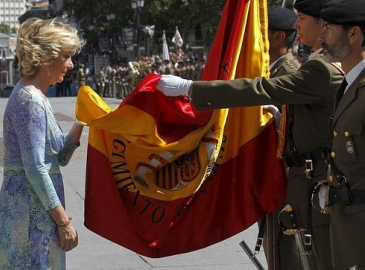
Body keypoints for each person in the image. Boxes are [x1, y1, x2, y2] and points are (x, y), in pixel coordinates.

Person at [156, 0, 343, 269]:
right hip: (297, 176)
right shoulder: (316, 63)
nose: (296, 24)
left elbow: (262, 88)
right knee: (291, 250)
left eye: (302, 18)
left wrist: (190, 88)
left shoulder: (321, 68)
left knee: (303, 254)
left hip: (309, 177)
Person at [0, 17, 85, 269]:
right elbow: (35, 167)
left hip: (37, 207)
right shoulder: (30, 100)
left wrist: (83, 121)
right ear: (47, 57)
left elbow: (60, 157)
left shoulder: (37, 97)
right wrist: (64, 221)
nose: (70, 64)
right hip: (30, 209)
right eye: (66, 56)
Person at [320, 1, 365, 268]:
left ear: (353, 34)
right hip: (347, 221)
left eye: (328, 27)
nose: (321, 35)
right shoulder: (349, 84)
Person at [259, 6, 301, 269]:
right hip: (269, 178)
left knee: (287, 253)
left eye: (261, 33)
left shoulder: (289, 74)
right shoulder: (271, 72)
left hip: (285, 179)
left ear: (279, 37)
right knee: (274, 251)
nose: (256, 39)